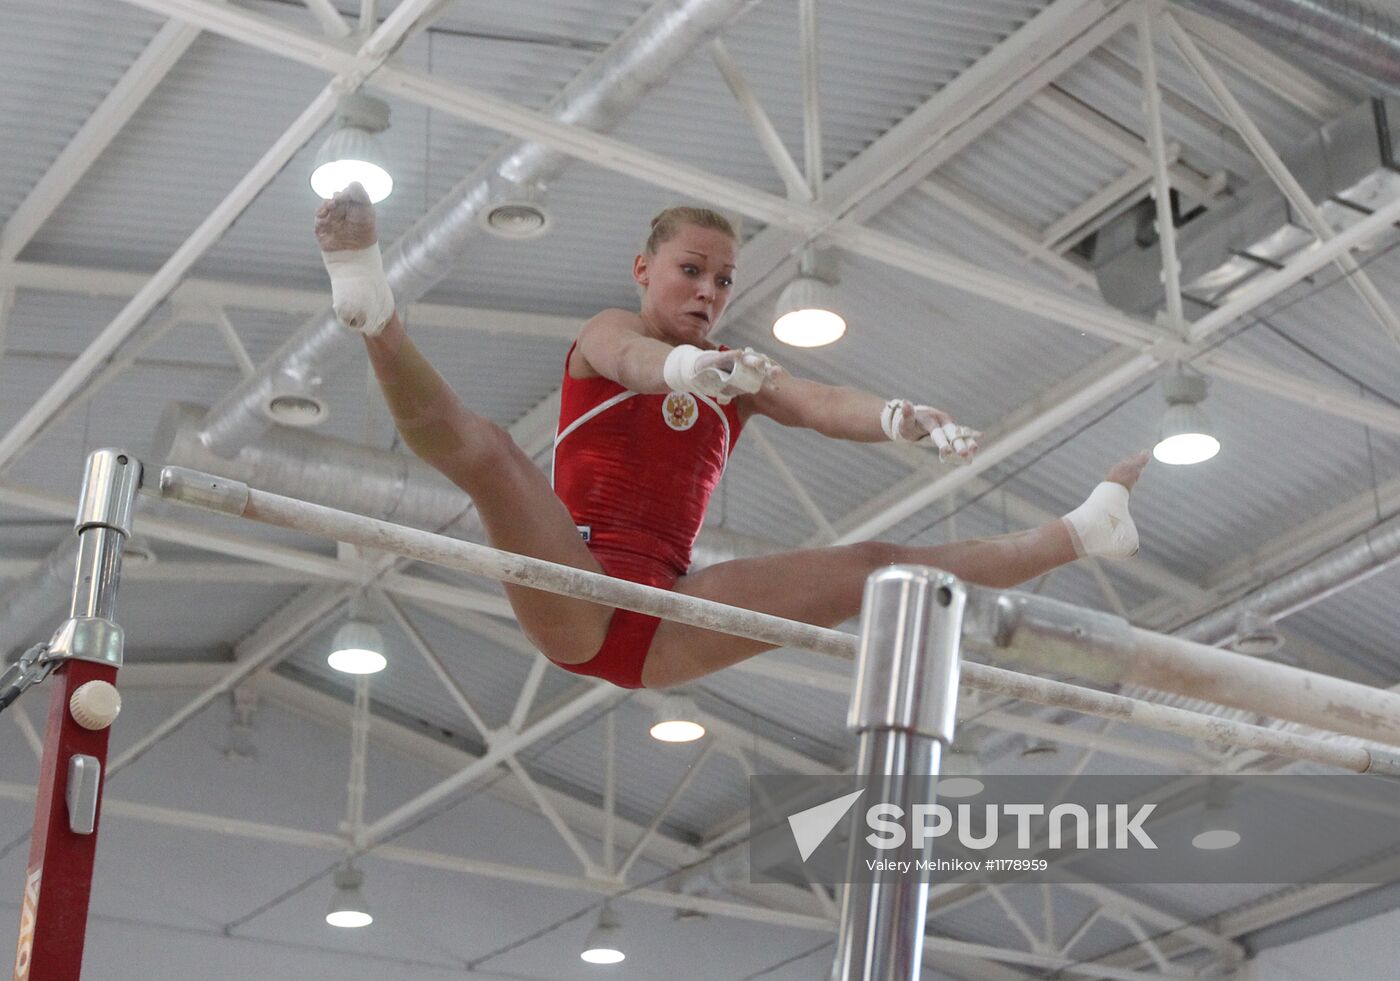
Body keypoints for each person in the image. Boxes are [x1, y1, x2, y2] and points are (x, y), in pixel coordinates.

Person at [314, 183, 1148, 690]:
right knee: (491, 455)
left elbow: (820, 400)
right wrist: (681, 372)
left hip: (667, 615)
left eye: (723, 279)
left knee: (874, 569)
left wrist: (899, 416)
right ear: (645, 269)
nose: (709, 289)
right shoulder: (611, 330)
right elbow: (631, 357)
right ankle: (374, 313)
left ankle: (1079, 532)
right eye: (690, 269)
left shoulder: (736, 374)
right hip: (578, 581)